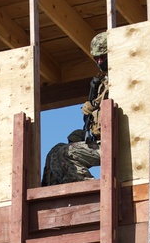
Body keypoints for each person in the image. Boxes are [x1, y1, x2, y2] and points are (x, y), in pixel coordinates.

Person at [41, 31, 109, 186]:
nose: (99, 61)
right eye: (96, 58)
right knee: (55, 151)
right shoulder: (101, 83)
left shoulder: (125, 78)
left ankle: (88, 190)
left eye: (103, 57)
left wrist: (95, 107)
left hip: (118, 144)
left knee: (64, 153)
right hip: (101, 141)